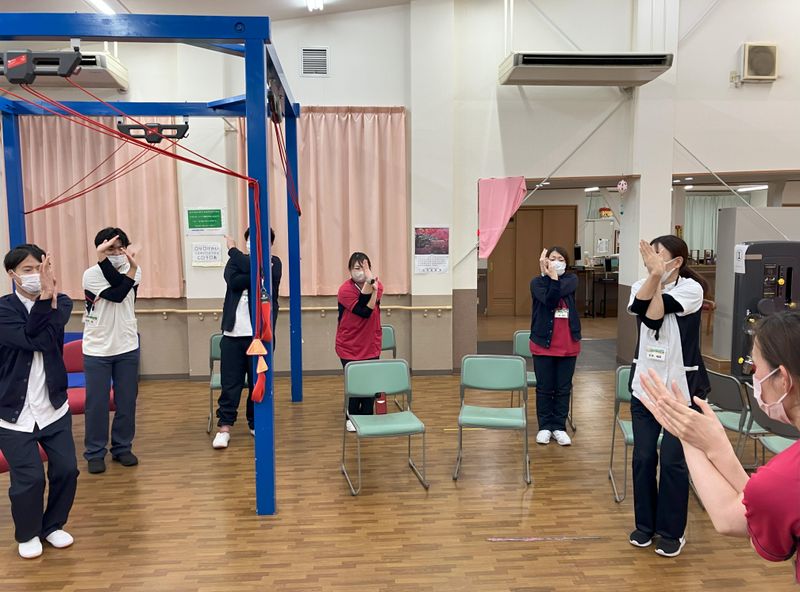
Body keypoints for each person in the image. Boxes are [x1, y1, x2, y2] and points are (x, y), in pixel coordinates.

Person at [638, 311, 800, 583]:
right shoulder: (779, 482)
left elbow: (731, 519)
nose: (753, 375)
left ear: (782, 379)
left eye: (754, 367)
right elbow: (763, 504)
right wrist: (714, 447)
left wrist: (689, 436)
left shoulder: (786, 477)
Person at [626, 235, 709, 557]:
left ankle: (672, 531)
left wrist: (657, 279)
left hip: (680, 392)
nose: (651, 260)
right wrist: (654, 277)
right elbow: (640, 309)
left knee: (674, 462)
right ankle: (645, 526)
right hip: (645, 389)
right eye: (650, 255)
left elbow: (655, 316)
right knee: (644, 457)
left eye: (658, 255)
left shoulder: (692, 289)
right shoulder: (640, 285)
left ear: (677, 262)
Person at [0, 244, 78, 559]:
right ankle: (28, 532)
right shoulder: (3, 310)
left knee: (67, 470)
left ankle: (52, 525)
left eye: (40, 268)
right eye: (27, 270)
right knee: (29, 478)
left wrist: (47, 297)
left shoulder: (63, 302)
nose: (35, 275)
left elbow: (43, 340)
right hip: (12, 412)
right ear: (12, 274)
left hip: (53, 407)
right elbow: (30, 340)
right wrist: (46, 298)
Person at [82, 227, 142, 474]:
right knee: (96, 404)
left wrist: (131, 269)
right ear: (100, 249)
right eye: (110, 249)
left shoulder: (135, 270)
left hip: (127, 346)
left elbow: (121, 285)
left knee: (126, 401)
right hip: (97, 349)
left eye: (121, 248)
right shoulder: (91, 275)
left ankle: (122, 447)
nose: (117, 253)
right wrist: (102, 260)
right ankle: (95, 452)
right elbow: (117, 293)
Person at [530, 246, 581, 446]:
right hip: (543, 343)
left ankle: (559, 427)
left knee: (563, 388)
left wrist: (552, 277)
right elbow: (550, 301)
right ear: (545, 261)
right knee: (544, 388)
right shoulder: (536, 283)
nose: (557, 262)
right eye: (552, 258)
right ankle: (544, 426)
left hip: (568, 343)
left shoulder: (571, 280)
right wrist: (548, 276)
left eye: (561, 259)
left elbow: (559, 290)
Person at [335, 252, 383, 432]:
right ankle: (352, 416)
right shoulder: (345, 290)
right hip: (349, 344)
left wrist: (373, 286)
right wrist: (371, 285)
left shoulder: (378, 285)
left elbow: (370, 302)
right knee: (355, 382)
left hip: (371, 343)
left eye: (365, 267)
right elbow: (364, 311)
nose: (361, 271)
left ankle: (367, 415)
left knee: (369, 382)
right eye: (357, 268)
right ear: (349, 270)